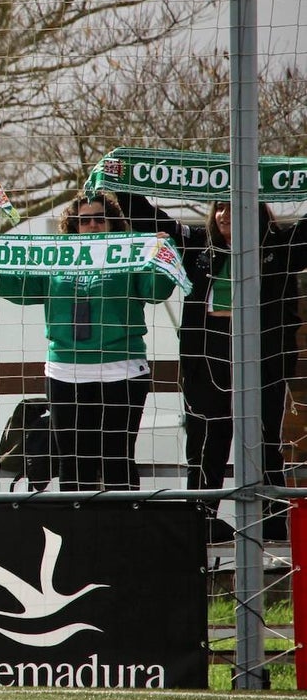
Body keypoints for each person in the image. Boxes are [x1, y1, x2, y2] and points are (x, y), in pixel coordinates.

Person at [118, 192, 307, 539]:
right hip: (206, 361)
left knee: (264, 445)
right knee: (206, 446)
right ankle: (202, 524)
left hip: (261, 362)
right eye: (219, 206)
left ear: (256, 208)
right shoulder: (196, 244)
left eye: (233, 206)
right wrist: (120, 182)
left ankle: (276, 528)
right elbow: (150, 218)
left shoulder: (280, 244)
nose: (223, 214)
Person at [0, 192, 177, 491]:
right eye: (84, 220)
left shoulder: (130, 253)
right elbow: (18, 288)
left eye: (100, 219)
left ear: (112, 224)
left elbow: (155, 292)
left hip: (122, 369)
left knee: (117, 459)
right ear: (72, 225)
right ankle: (76, 534)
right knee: (72, 461)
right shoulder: (55, 257)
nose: (93, 225)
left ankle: (127, 535)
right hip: (65, 373)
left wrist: (162, 255)